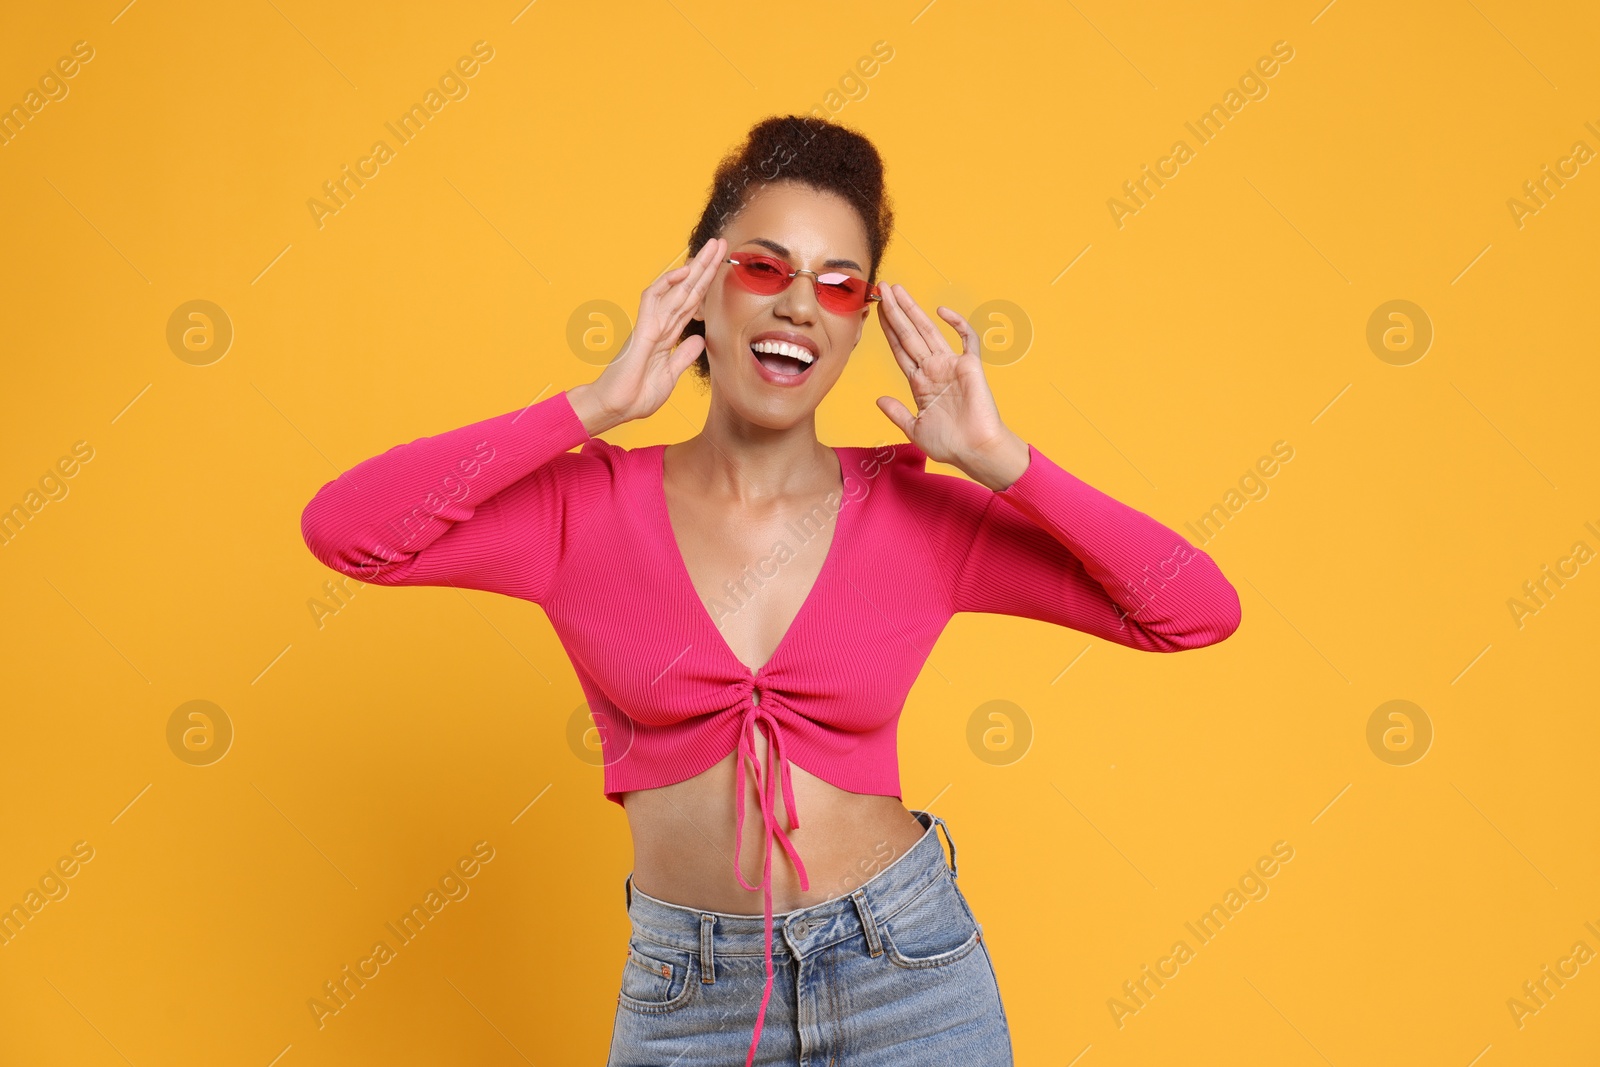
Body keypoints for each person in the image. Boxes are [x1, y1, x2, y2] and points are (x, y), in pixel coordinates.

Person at [299, 114, 1242, 1066]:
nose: (800, 304)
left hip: (906, 976)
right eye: (764, 267)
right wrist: (594, 405)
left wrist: (1002, 463)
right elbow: (349, 532)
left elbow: (1191, 609)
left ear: (857, 324)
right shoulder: (580, 510)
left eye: (838, 285)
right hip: (690, 996)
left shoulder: (915, 512)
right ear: (700, 287)